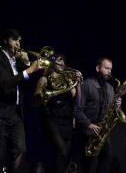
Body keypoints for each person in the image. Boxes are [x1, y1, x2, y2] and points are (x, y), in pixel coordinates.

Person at [32, 52, 81, 173]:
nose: (62, 63)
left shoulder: (68, 79)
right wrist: (46, 96)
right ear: (52, 63)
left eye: (64, 61)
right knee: (63, 152)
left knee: (64, 157)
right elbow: (34, 102)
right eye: (59, 60)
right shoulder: (44, 79)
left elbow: (77, 100)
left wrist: (78, 83)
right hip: (51, 118)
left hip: (66, 119)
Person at [0, 29, 40, 172]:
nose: (18, 43)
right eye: (14, 39)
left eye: (20, 40)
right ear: (5, 41)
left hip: (16, 113)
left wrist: (27, 62)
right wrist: (28, 71)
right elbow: (5, 82)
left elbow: (28, 85)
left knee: (20, 148)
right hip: (2, 111)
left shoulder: (17, 61)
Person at [73, 57, 121, 173]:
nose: (109, 71)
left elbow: (110, 111)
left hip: (101, 131)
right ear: (98, 68)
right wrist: (89, 125)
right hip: (86, 131)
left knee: (107, 157)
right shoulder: (87, 85)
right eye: (106, 68)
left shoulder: (110, 88)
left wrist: (116, 106)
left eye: (110, 69)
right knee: (86, 164)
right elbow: (77, 110)